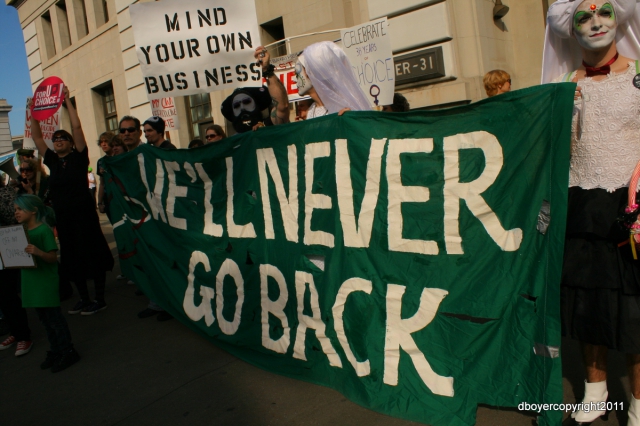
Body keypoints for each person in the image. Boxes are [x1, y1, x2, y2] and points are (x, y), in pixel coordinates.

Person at [543, 1, 640, 424]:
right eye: (584, 16)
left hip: (631, 209)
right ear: (570, 29)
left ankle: (639, 401)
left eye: (603, 12)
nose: (596, 23)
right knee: (586, 304)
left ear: (619, 19)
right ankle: (595, 392)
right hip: (581, 208)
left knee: (635, 308)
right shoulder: (562, 84)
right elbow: (549, 151)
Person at [30, 86, 114, 316]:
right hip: (65, 219)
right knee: (72, 258)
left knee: (92, 255)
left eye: (62, 138)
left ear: (69, 143)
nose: (58, 141)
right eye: (55, 139)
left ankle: (99, 298)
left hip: (84, 216)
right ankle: (83, 299)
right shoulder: (52, 162)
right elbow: (37, 137)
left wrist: (67, 100)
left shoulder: (78, 157)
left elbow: (77, 127)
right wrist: (32, 113)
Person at [15, 194, 80, 372]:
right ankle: (56, 350)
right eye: (16, 209)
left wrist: (38, 252)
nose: (16, 212)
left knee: (54, 319)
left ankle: (67, 350)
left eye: (20, 209)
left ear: (33, 210)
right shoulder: (22, 231)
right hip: (31, 282)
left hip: (44, 282)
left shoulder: (43, 230)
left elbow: (52, 257)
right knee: (44, 320)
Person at [221, 46, 290, 133]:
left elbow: (282, 107)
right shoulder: (231, 144)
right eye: (236, 106)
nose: (242, 108)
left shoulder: (269, 126)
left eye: (247, 102)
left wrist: (266, 69)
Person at [294, 41, 371, 119]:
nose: (294, 80)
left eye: (297, 74)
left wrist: (351, 119)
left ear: (310, 73)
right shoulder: (311, 111)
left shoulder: (344, 108)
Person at [0, 178, 32, 357]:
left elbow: (13, 216)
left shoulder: (6, 193)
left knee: (8, 294)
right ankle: (14, 332)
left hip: (6, 249)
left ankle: (23, 336)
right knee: (2, 296)